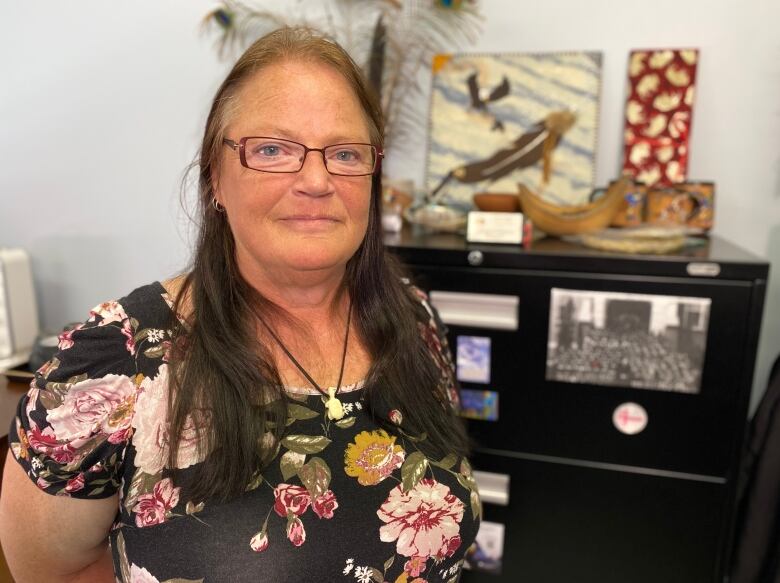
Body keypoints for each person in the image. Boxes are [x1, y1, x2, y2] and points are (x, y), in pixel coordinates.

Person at [0, 27, 480, 583]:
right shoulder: (111, 364)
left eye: (345, 153)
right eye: (273, 150)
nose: (317, 180)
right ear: (214, 179)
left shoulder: (412, 319)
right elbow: (51, 573)